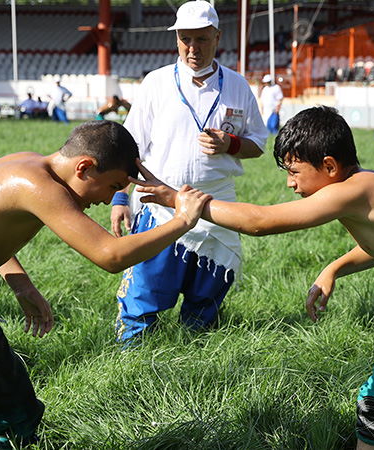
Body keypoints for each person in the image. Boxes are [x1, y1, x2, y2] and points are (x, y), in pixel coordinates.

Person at [135, 106, 374, 450]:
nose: (289, 184)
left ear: (329, 165)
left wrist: (180, 202)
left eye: (294, 172)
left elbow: (260, 222)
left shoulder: (361, 188)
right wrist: (334, 269)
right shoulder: (364, 189)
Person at [0, 120, 212, 449]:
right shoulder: (37, 186)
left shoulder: (29, 165)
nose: (107, 199)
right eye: (112, 186)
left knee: (18, 408)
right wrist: (183, 219)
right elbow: (110, 256)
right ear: (84, 167)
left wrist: (21, 284)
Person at [110, 0, 268, 345]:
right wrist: (121, 197)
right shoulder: (156, 82)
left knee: (206, 300)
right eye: (185, 39)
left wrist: (232, 144)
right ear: (176, 38)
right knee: (145, 294)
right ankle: (128, 360)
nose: (193, 48)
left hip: (216, 206)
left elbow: (259, 142)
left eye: (202, 39)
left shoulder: (238, 85)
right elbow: (130, 146)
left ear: (217, 37)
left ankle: (196, 357)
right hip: (159, 205)